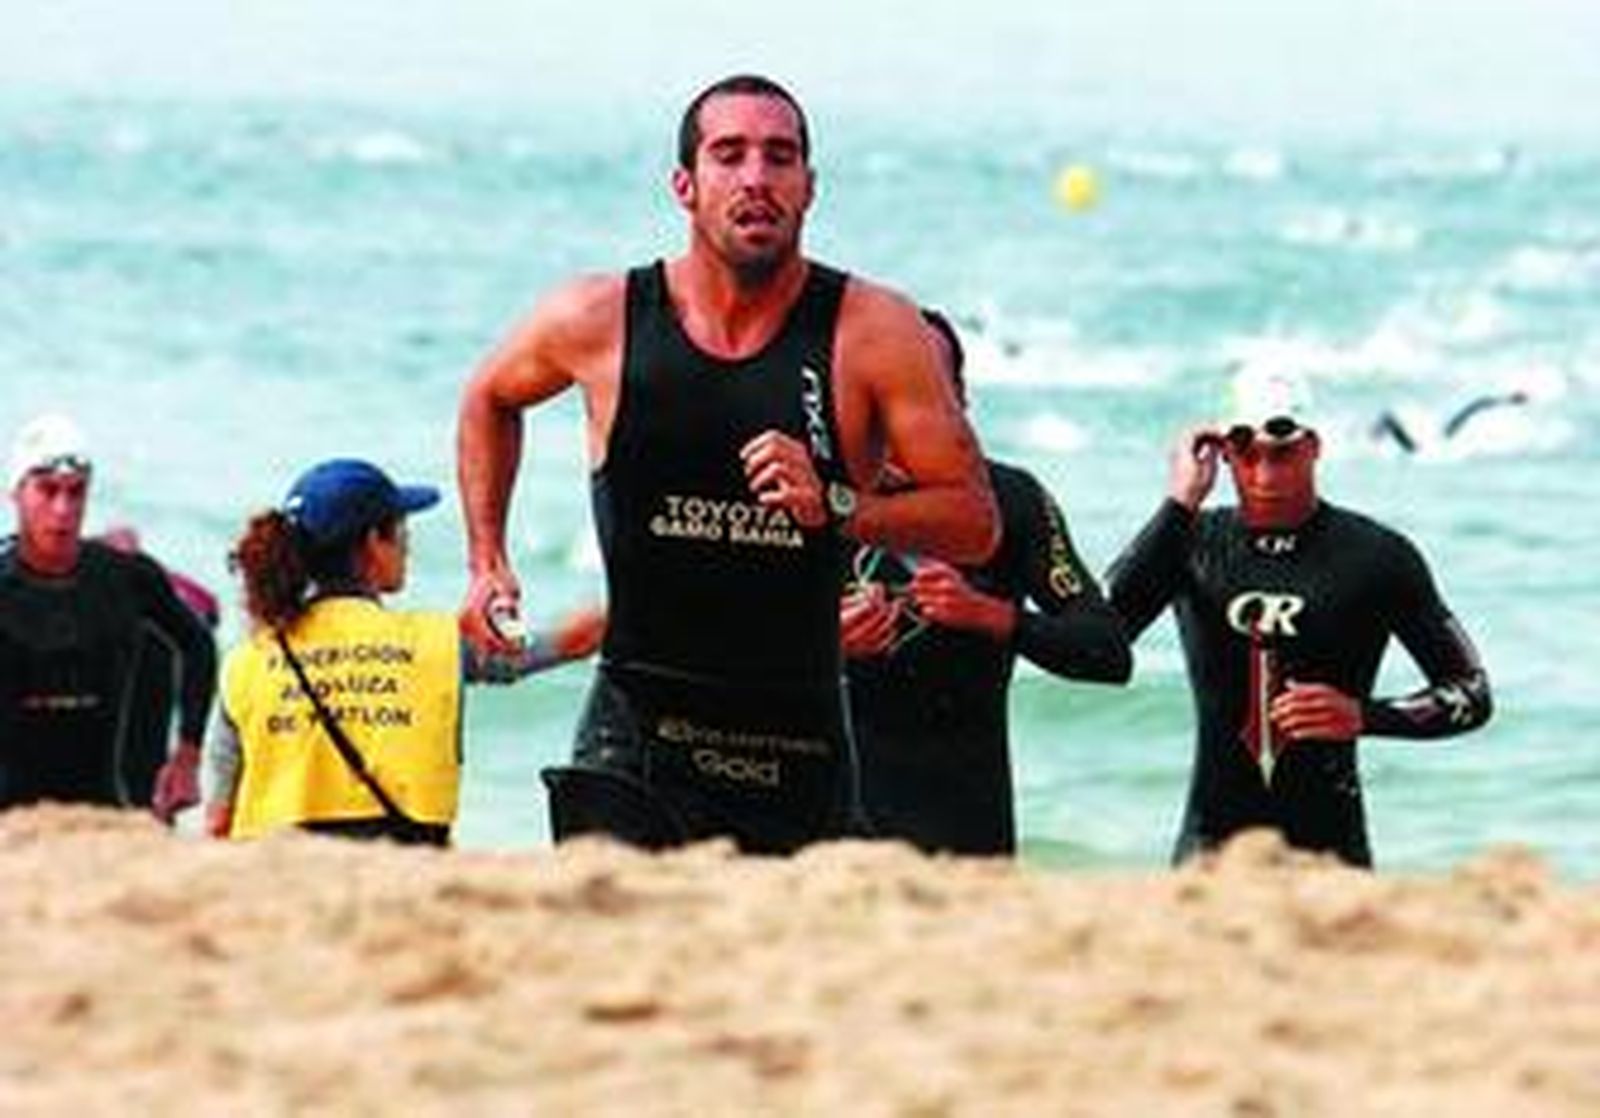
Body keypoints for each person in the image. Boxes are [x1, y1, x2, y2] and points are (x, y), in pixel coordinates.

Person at [457, 74, 999, 854]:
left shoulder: (875, 331)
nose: (756, 178)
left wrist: (839, 505)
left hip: (797, 739)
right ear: (686, 184)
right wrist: (487, 559)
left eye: (780, 158)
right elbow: (488, 398)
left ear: (809, 187)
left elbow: (974, 523)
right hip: (635, 731)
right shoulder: (601, 317)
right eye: (729, 154)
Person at [1106, 369, 1493, 867]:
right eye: (1246, 453)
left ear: (1314, 447)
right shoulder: (1189, 543)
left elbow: (1472, 691)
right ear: (1223, 453)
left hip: (1332, 854)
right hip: (1210, 851)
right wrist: (1181, 501)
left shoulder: (1378, 556)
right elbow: (1100, 638)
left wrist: (1364, 715)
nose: (1265, 476)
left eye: (1282, 453)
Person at [842, 311, 1132, 856]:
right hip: (839, 825)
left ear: (960, 400)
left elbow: (1107, 652)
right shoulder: (816, 501)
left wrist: (990, 615)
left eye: (927, 388)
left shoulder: (1012, 500)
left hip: (968, 828)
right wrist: (827, 644)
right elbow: (720, 657)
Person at [207, 458, 603, 845]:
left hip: (274, 861)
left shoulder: (245, 662)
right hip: (400, 853)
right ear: (372, 543)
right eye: (400, 528)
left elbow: (219, 819)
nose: (407, 543)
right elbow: (570, 641)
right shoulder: (436, 642)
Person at [0, 413, 215, 820]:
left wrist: (188, 754)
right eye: (47, 491)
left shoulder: (126, 576)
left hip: (99, 813)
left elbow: (198, 643)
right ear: (16, 493)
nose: (63, 509)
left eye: (76, 492)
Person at [99, 523, 222, 808]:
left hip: (146, 697)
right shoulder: (170, 589)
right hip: (151, 704)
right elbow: (204, 634)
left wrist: (188, 750)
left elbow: (201, 642)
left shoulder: (152, 586)